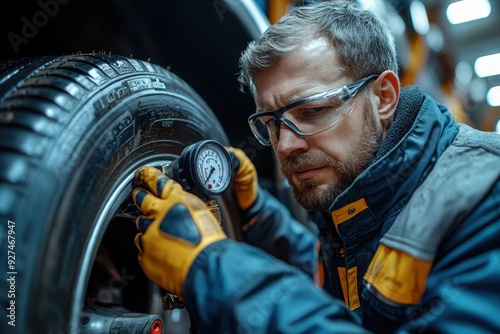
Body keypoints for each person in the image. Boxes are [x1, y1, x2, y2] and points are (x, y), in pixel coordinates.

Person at [131, 1, 500, 332]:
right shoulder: (360, 201)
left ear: (384, 97)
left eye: (312, 112)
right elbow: (350, 290)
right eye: (270, 124)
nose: (286, 145)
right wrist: (259, 217)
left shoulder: (486, 197)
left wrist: (214, 270)